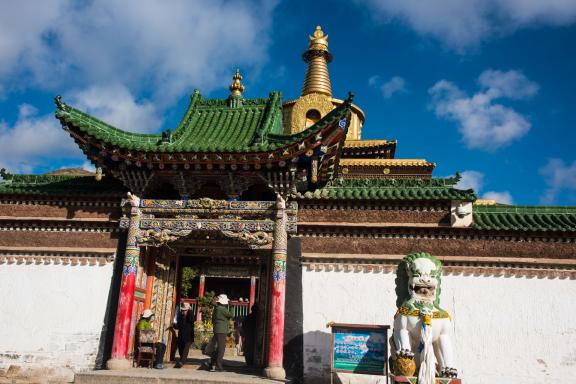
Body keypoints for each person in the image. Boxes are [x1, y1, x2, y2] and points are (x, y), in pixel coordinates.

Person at [204, 294, 233, 372]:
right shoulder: (222, 309)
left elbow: (213, 319)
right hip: (221, 330)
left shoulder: (216, 308)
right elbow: (231, 315)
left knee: (218, 348)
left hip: (217, 330)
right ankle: (218, 366)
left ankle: (211, 363)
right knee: (221, 349)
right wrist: (232, 307)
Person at [174, 302, 195, 368]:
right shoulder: (181, 316)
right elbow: (178, 326)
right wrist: (174, 325)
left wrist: (190, 311)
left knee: (186, 348)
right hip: (181, 335)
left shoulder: (190, 316)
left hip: (188, 335)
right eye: (182, 310)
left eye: (185, 310)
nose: (183, 311)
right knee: (181, 348)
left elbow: (192, 320)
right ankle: (181, 359)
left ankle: (182, 361)